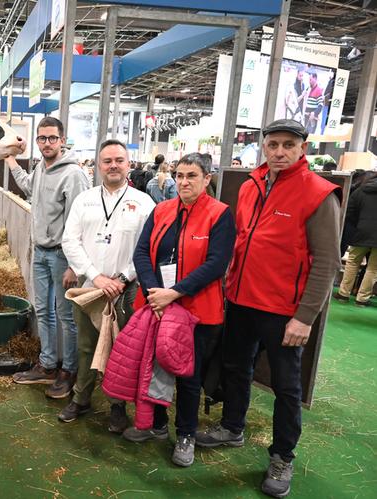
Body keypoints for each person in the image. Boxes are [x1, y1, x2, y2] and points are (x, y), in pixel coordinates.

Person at [196, 119, 341, 498]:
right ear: (263, 146)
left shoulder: (319, 193)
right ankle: (232, 427)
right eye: (272, 144)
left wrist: (305, 316)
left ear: (302, 149)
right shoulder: (249, 187)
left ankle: (282, 455)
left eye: (287, 145)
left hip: (283, 312)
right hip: (241, 300)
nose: (279, 152)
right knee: (235, 368)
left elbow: (327, 262)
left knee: (287, 387)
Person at [129, 152, 235, 467]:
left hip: (196, 310)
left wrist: (173, 293)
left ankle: (186, 434)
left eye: (192, 176)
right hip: (156, 303)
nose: (184, 181)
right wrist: (153, 293)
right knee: (155, 366)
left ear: (207, 179)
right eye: (180, 175)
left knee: (188, 375)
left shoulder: (220, 214)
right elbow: (141, 253)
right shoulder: (161, 210)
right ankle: (157, 425)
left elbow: (217, 264)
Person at [58, 140, 154, 429]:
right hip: (89, 288)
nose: (113, 165)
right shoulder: (84, 200)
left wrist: (123, 277)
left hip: (127, 289)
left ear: (128, 164)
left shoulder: (145, 203)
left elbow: (148, 248)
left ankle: (117, 405)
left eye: (119, 160)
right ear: (98, 166)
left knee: (121, 349)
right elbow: (69, 241)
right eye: (107, 161)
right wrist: (95, 276)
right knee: (86, 346)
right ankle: (81, 398)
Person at [6, 117, 90, 399]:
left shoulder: (74, 175)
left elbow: (79, 224)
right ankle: (48, 364)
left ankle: (69, 370)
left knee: (66, 316)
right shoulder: (41, 167)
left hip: (61, 257)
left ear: (62, 140)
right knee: (43, 309)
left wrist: (73, 265)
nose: (46, 143)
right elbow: (29, 188)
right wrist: (11, 162)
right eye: (42, 138)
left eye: (52, 138)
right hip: (41, 251)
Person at [334, 173, 377, 307]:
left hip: (361, 230)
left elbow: (350, 210)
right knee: (373, 268)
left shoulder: (361, 190)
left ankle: (343, 293)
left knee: (353, 261)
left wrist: (358, 224)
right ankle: (362, 299)